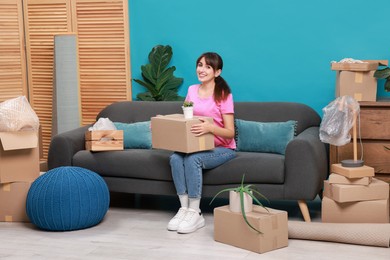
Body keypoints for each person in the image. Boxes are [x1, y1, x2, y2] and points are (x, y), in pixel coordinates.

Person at [168, 52, 236, 234]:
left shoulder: (224, 95)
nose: (202, 69)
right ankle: (183, 209)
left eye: (207, 66)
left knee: (192, 160)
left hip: (222, 148)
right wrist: (167, 125)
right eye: (200, 65)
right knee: (175, 158)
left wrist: (210, 128)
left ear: (217, 72)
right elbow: (186, 119)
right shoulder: (191, 90)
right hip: (195, 145)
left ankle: (195, 211)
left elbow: (230, 133)